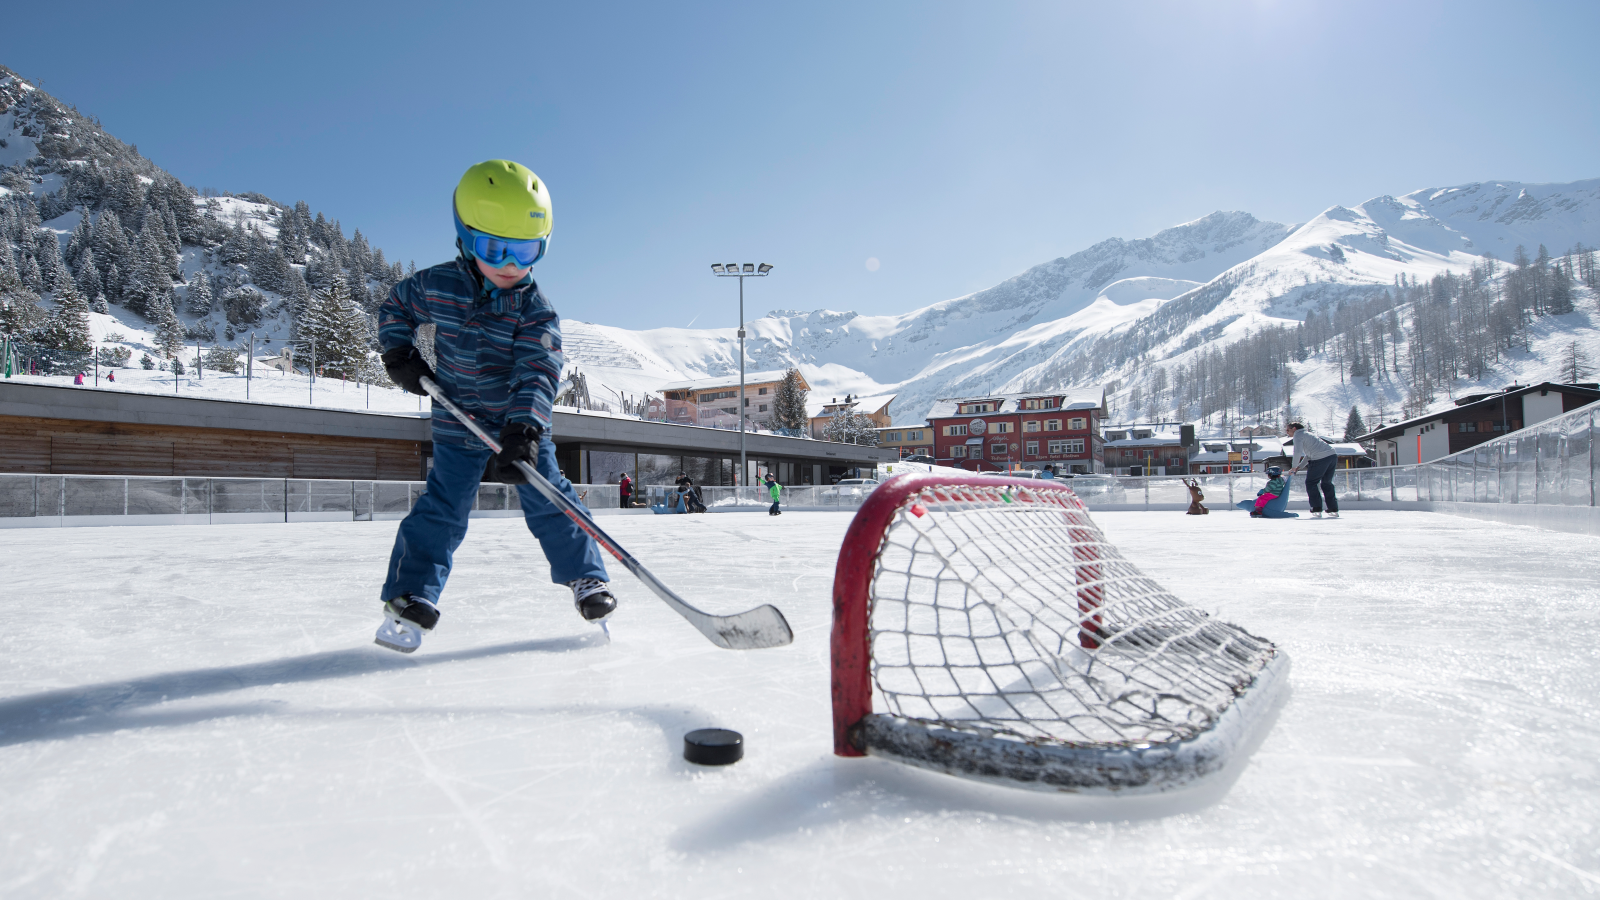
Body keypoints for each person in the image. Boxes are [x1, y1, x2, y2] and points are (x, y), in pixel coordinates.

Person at [371, 159, 614, 654]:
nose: (509, 265)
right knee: (443, 507)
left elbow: (538, 371)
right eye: (494, 248)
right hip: (458, 419)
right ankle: (410, 593)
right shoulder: (436, 286)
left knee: (550, 498)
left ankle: (587, 577)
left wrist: (524, 430)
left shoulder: (535, 310)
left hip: (518, 427)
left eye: (524, 251)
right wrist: (398, 351)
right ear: (465, 238)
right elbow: (396, 307)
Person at [1286, 422, 1340, 518]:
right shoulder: (1308, 434)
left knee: (1311, 483)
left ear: (1294, 428)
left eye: (1288, 430)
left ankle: (1316, 508)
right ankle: (1333, 509)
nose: (1287, 433)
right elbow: (1309, 455)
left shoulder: (1298, 435)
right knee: (1326, 483)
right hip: (1332, 456)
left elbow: (1297, 452)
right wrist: (1299, 467)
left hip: (1320, 459)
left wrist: (1294, 466)